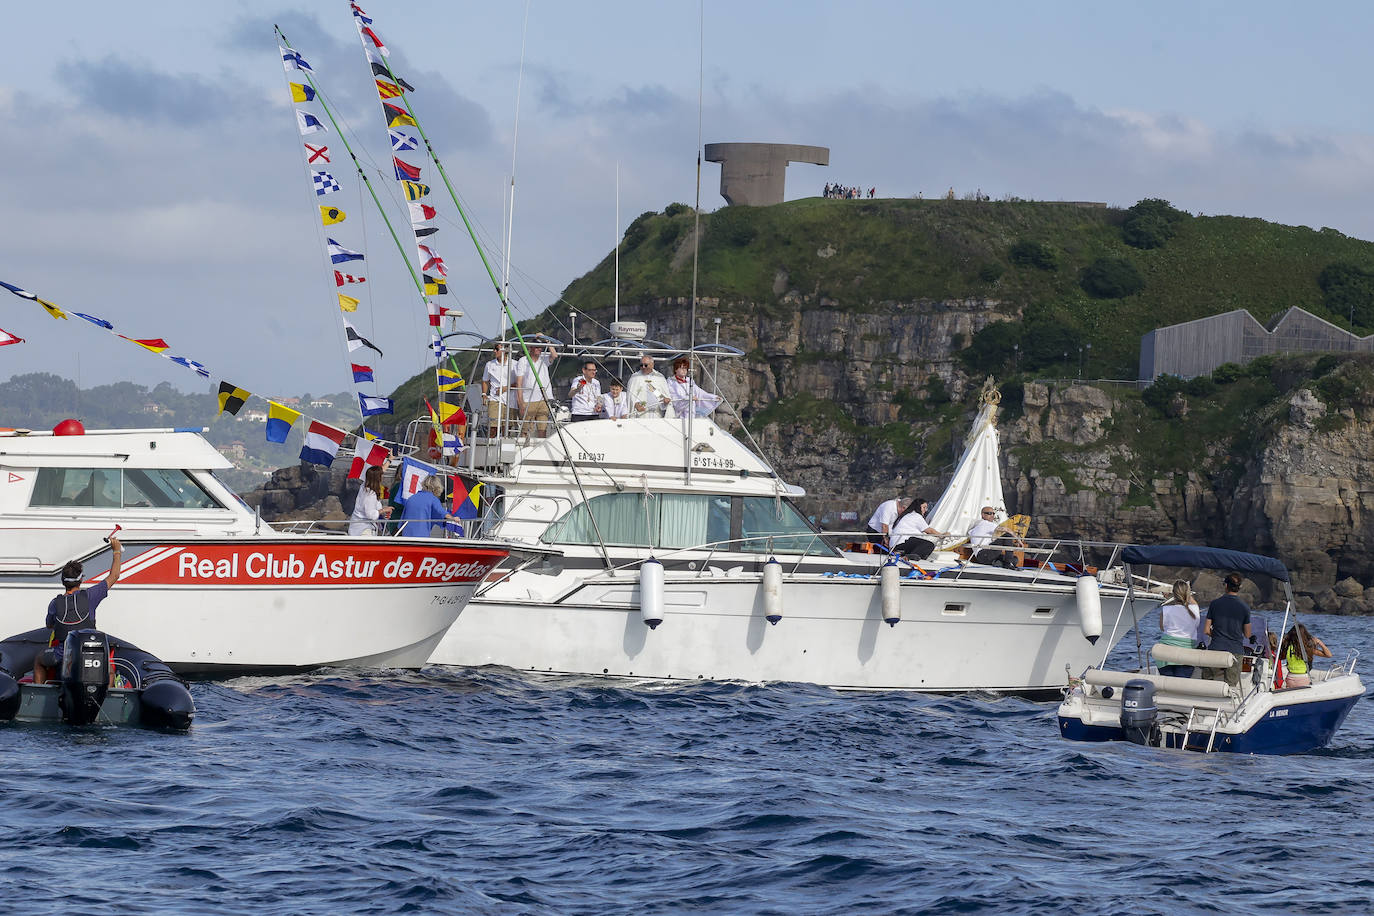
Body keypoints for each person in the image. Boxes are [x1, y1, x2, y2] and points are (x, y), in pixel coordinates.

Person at [34, 536, 123, 685]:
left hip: (62, 655)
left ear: (63, 581)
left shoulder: (55, 603)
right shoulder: (91, 596)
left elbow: (50, 625)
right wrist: (117, 552)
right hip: (90, 652)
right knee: (109, 669)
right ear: (81, 580)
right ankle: (107, 699)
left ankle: (37, 693)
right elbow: (114, 576)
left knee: (39, 659)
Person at [1204, 572, 1252, 686]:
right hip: (1235, 652)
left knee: (1207, 683)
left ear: (1225, 586)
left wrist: (1216, 634)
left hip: (1216, 649)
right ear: (1239, 588)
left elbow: (1206, 630)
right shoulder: (1244, 607)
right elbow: (1247, 634)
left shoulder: (1215, 604)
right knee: (1231, 687)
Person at [1155, 580, 1202, 679]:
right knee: (1181, 684)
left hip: (1165, 654)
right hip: (1187, 654)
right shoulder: (1194, 610)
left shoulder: (1166, 610)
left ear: (1174, 594)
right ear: (1188, 594)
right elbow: (1193, 602)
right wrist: (1187, 592)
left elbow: (1162, 628)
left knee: (1168, 684)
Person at [514, 341, 558, 437]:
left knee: (542, 429)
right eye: (537, 347)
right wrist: (520, 402)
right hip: (528, 400)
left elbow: (554, 355)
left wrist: (547, 342)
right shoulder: (523, 361)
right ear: (530, 348)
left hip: (543, 400)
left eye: (541, 347)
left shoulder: (544, 359)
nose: (539, 349)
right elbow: (519, 382)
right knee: (525, 429)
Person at [1278, 622, 1333, 688]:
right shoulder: (1308, 649)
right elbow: (1329, 655)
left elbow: (1280, 657)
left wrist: (1283, 643)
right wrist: (1319, 642)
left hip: (1290, 678)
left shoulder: (1288, 648)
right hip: (1302, 678)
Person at [481, 342, 514, 438]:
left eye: (496, 348)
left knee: (507, 428)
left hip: (510, 400)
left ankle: (505, 447)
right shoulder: (490, 364)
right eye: (494, 348)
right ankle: (490, 447)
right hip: (494, 399)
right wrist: (484, 394)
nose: (494, 351)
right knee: (493, 427)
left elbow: (519, 383)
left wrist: (505, 388)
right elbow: (485, 381)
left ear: (504, 350)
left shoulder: (514, 364)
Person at [348, 465, 392, 536]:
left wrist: (390, 460)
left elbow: (379, 471)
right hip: (363, 531)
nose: (382, 477)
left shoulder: (363, 487)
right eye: (381, 476)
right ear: (378, 478)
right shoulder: (370, 495)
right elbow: (370, 515)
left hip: (356, 527)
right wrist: (384, 510)